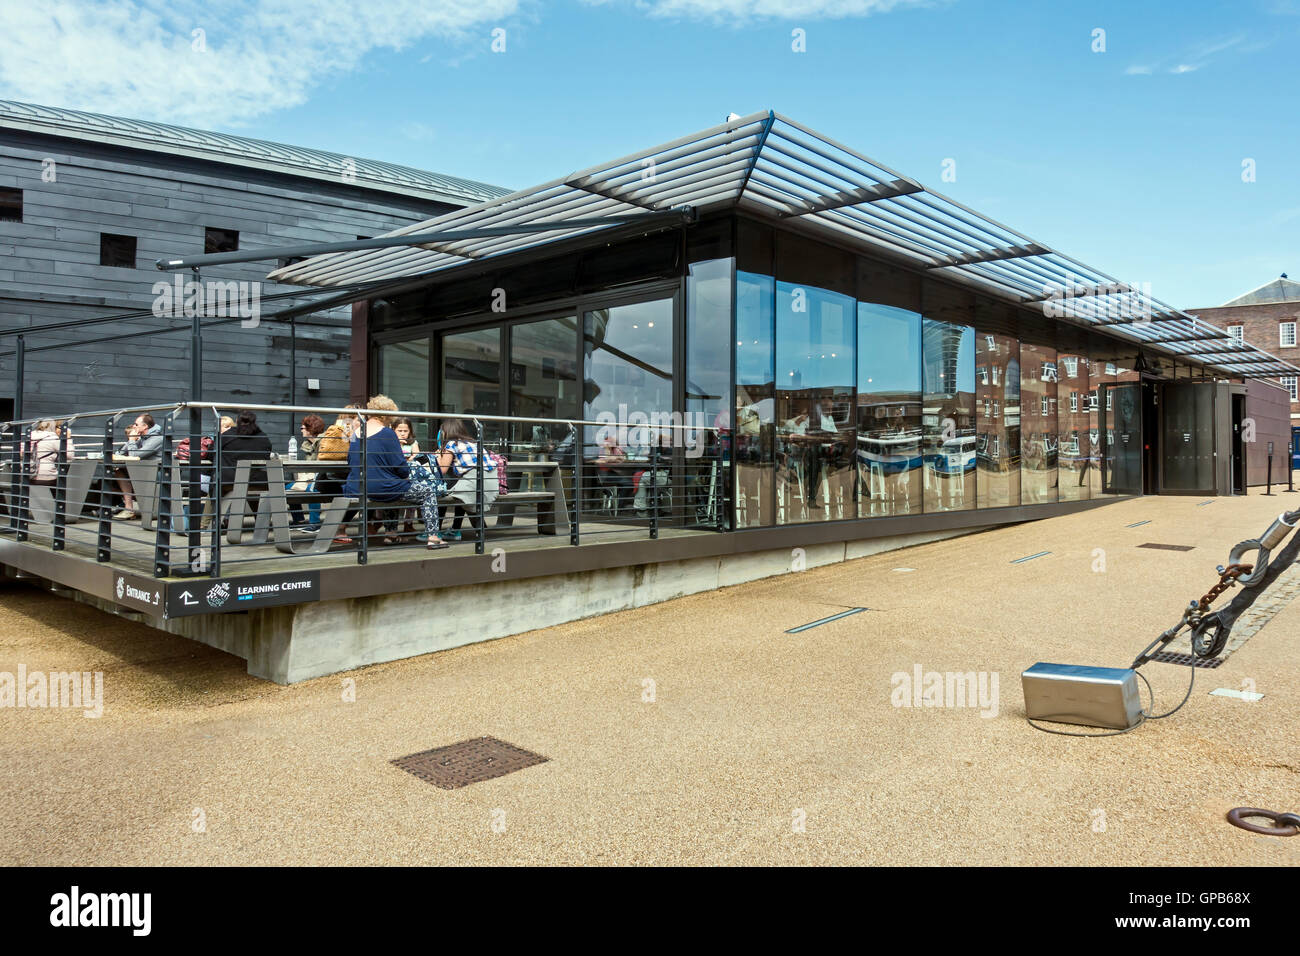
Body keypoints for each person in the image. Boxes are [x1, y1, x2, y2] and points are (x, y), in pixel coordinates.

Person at [341, 395, 446, 549]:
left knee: (393, 487)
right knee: (427, 492)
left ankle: (391, 535)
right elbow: (401, 469)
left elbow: (351, 461)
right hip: (379, 488)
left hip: (355, 486)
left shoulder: (357, 433)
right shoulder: (387, 434)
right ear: (387, 414)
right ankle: (434, 537)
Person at [433, 417, 497, 540]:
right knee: (459, 492)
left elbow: (442, 470)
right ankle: (456, 529)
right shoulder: (475, 443)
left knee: (441, 492)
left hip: (474, 483)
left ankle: (435, 532)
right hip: (491, 484)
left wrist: (438, 456)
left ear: (445, 432)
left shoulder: (452, 444)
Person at [112, 413, 163, 519]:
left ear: (145, 426)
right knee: (117, 470)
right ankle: (128, 508)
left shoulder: (157, 438)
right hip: (143, 470)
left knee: (122, 473)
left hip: (157, 472)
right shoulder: (142, 438)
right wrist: (132, 440)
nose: (134, 426)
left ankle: (129, 508)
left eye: (136, 424)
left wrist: (131, 440)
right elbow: (120, 453)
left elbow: (134, 455)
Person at [217, 409, 273, 496]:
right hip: (257, 481)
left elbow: (212, 452)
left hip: (230, 482)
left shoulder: (228, 435)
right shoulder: (263, 437)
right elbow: (266, 456)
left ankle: (214, 508)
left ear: (237, 422)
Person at [287, 414, 327, 529]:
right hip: (310, 477)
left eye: (302, 428)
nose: (301, 431)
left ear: (310, 428)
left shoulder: (323, 442)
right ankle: (298, 520)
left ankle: (315, 523)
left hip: (322, 478)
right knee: (285, 488)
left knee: (312, 489)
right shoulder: (307, 444)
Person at [595, 433, 632, 515]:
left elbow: (622, 458)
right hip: (605, 476)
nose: (613, 443)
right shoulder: (603, 449)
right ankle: (619, 507)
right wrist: (612, 456)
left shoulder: (614, 449)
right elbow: (604, 460)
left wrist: (616, 456)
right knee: (628, 484)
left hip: (612, 473)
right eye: (611, 441)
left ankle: (619, 505)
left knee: (628, 483)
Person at [26, 420, 63, 486]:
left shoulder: (29, 437)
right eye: (58, 427)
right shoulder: (53, 439)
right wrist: (68, 438)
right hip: (47, 477)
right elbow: (69, 455)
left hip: (28, 474)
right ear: (53, 427)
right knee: (63, 483)